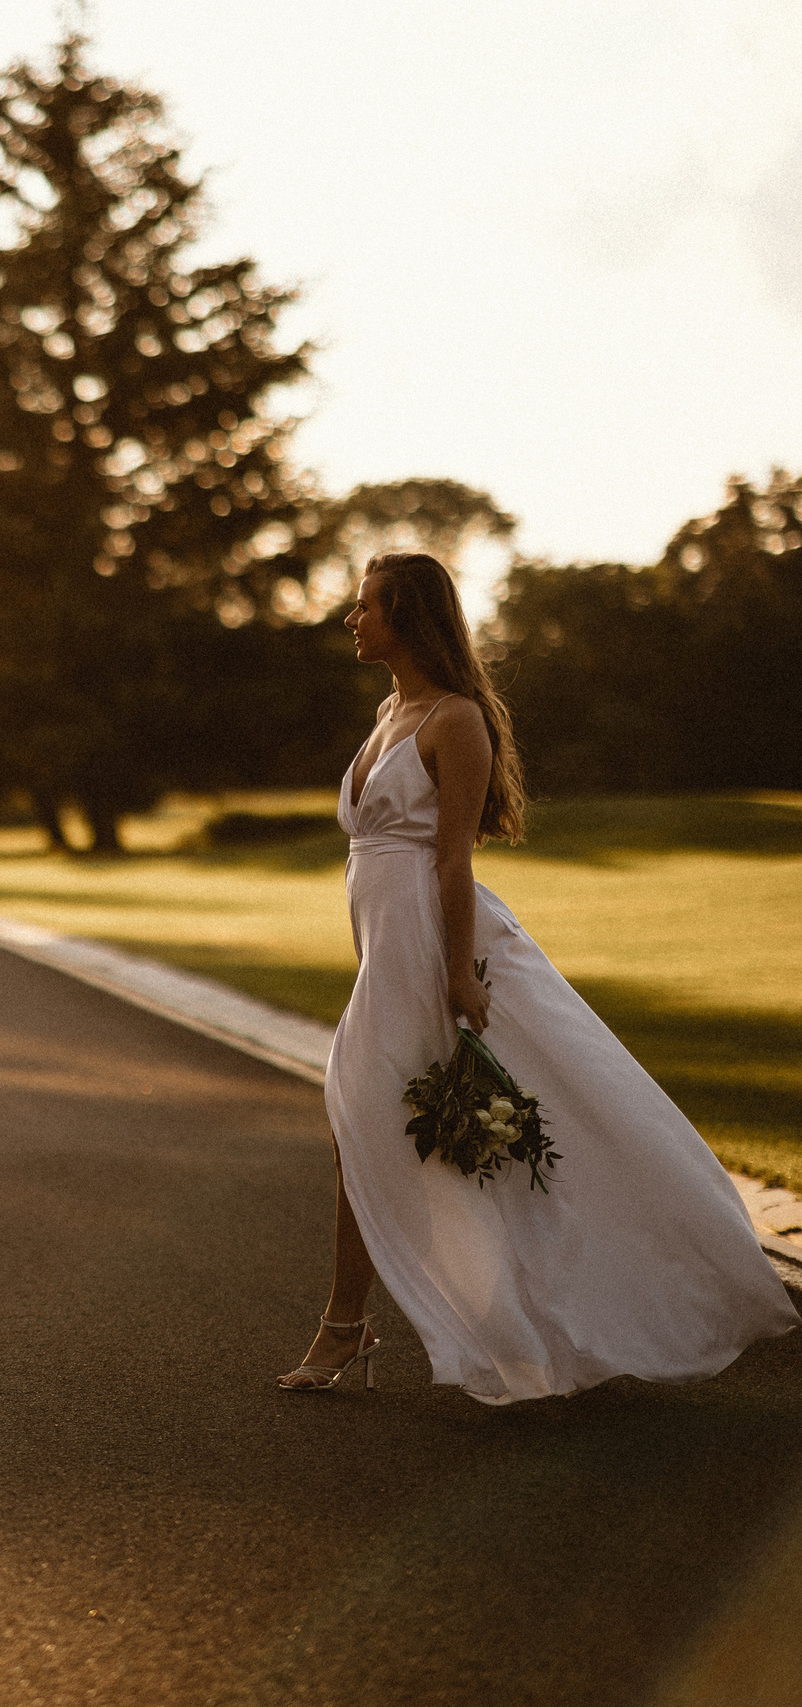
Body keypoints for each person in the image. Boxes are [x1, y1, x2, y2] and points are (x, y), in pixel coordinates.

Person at [277, 552, 794, 1401]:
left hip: (438, 948)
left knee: (396, 1124)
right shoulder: (389, 711)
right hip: (390, 950)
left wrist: (454, 976)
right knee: (369, 1127)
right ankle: (363, 1322)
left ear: (408, 615)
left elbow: (449, 864)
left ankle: (365, 1324)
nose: (352, 618)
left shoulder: (456, 720)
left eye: (366, 605)